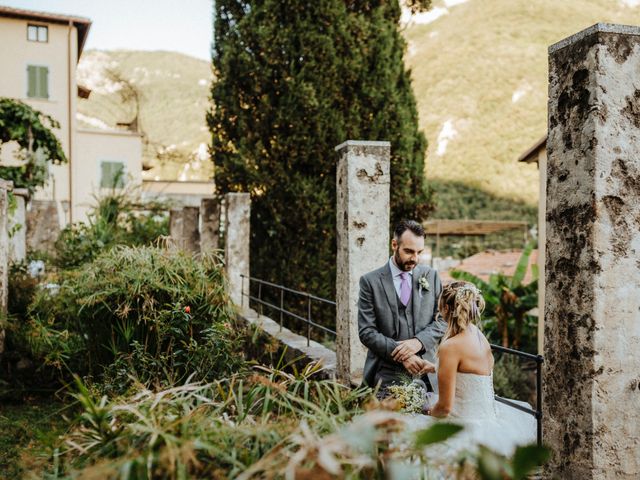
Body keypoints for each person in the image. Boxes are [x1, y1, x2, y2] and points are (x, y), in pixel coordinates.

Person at [415, 281, 536, 456]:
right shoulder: (478, 334)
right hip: (491, 424)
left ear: (447, 309)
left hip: (464, 427)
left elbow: (445, 408)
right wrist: (436, 367)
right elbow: (470, 371)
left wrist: (427, 412)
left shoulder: (450, 346)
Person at [358, 220, 446, 393]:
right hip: (385, 374)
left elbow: (443, 320)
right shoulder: (370, 281)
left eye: (419, 252)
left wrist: (418, 342)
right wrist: (402, 355)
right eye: (409, 251)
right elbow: (366, 332)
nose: (415, 258)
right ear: (394, 244)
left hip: (427, 371)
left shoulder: (432, 276)